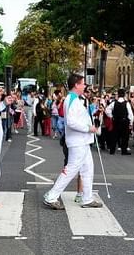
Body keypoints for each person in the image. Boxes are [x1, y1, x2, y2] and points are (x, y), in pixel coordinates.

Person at [43, 75, 102, 210]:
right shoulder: (72, 100)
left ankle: (86, 198)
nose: (84, 86)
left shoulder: (74, 99)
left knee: (87, 169)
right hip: (78, 141)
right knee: (71, 169)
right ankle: (51, 196)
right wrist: (89, 128)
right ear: (76, 85)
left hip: (83, 141)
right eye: (83, 84)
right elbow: (71, 122)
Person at [105, 88, 133, 155]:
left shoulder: (114, 103)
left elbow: (106, 110)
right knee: (125, 137)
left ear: (118, 94)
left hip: (116, 121)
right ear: (124, 95)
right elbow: (130, 114)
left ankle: (112, 150)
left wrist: (111, 116)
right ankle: (124, 151)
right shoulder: (127, 103)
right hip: (124, 121)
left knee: (114, 136)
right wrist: (131, 123)